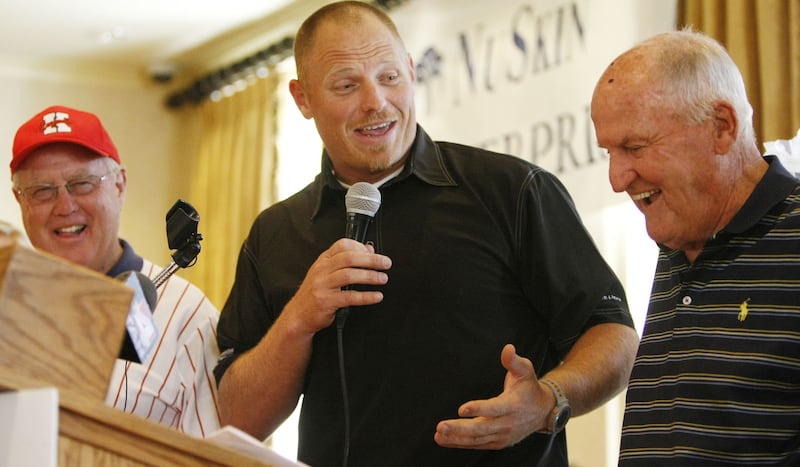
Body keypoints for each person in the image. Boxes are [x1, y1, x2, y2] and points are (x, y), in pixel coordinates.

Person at [215, 2, 639, 466]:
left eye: (390, 76)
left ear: (412, 72)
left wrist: (549, 400)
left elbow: (613, 334)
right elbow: (234, 419)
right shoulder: (275, 234)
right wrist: (298, 317)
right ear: (303, 98)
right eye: (346, 85)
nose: (375, 101)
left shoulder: (512, 192)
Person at [591, 29, 800, 465]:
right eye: (609, 151)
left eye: (634, 147)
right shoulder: (679, 236)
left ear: (721, 127)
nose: (616, 179)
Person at [10, 105, 221, 438]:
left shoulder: (187, 315)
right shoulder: (9, 310)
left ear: (120, 185)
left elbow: (214, 454)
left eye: (82, 184)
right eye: (42, 191)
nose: (65, 206)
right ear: (19, 201)